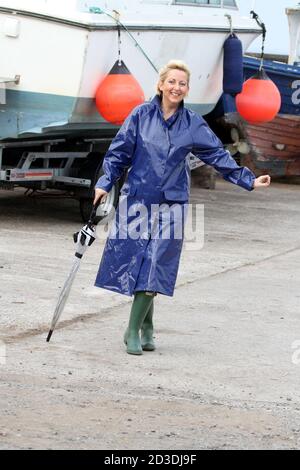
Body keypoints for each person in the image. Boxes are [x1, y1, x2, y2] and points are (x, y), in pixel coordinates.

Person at [93, 60, 271, 356]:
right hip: (137, 199)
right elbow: (119, 153)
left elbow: (217, 155)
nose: (177, 87)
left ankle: (132, 329)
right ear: (161, 84)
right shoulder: (140, 115)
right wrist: (104, 182)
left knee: (156, 262)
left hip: (171, 204)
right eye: (172, 81)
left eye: (182, 83)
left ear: (187, 89)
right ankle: (147, 326)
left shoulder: (192, 123)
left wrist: (248, 180)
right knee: (137, 262)